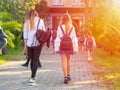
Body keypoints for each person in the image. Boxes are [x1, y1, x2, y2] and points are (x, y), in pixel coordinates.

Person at [23, 10, 45, 85]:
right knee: (35, 59)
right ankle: (33, 77)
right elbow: (43, 31)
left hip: (29, 44)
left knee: (32, 60)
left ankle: (33, 76)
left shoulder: (27, 22)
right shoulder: (40, 21)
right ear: (36, 14)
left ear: (29, 15)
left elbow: (25, 36)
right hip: (38, 43)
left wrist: (25, 47)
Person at [54, 13, 78, 84]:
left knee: (63, 61)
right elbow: (74, 39)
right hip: (69, 46)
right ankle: (68, 75)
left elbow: (58, 38)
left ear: (62, 20)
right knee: (68, 61)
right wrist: (75, 48)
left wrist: (56, 48)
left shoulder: (59, 27)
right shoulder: (72, 27)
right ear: (69, 20)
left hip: (62, 46)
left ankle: (65, 77)